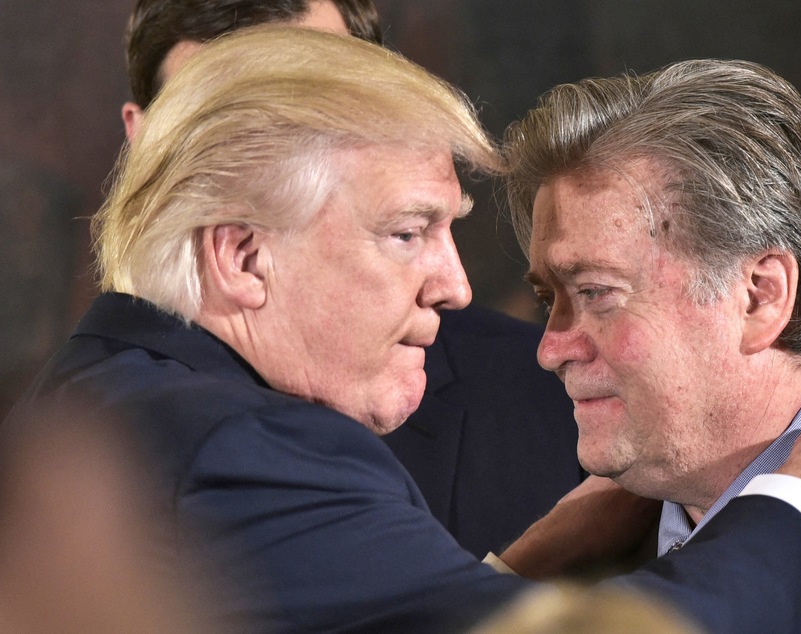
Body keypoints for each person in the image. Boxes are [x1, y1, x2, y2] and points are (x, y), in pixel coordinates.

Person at [6, 28, 801, 632]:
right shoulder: (234, 445)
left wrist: (518, 568)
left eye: (596, 291)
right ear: (242, 259)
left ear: (759, 296)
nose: (463, 293)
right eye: (407, 231)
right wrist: (798, 507)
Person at [119, 0, 587, 559]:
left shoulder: (555, 404)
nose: (269, 154)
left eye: (321, 97)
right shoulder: (85, 455)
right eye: (217, 121)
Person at [503, 58, 801, 632]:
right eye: (549, 300)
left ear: (760, 298)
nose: (551, 349)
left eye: (595, 292)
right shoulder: (553, 568)